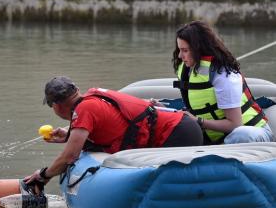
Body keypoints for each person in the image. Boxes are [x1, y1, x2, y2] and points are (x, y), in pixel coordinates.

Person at [24, 76, 203, 185]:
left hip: (177, 133)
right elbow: (112, 125)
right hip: (184, 127)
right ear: (77, 90)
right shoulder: (91, 99)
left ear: (56, 106)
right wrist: (70, 135)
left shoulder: (85, 110)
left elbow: (69, 157)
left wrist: (42, 175)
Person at [170, 20, 274, 145]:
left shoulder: (223, 74)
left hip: (252, 133)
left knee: (241, 135)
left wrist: (198, 122)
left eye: (185, 50)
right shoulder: (187, 70)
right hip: (215, 138)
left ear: (199, 49)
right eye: (179, 49)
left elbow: (235, 124)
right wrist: (164, 108)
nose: (180, 56)